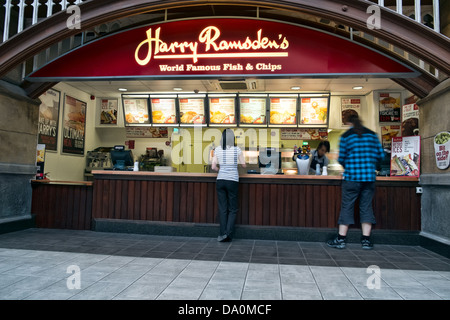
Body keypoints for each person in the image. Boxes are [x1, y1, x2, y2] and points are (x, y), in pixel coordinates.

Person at [327, 114, 384, 250]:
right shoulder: (372, 135)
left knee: (347, 207)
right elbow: (381, 155)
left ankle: (341, 239)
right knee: (366, 207)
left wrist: (349, 166)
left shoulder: (346, 136)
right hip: (369, 178)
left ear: (347, 122)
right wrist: (371, 165)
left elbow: (341, 159)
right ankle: (366, 240)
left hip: (351, 178)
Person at [211, 129, 246, 242]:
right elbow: (244, 165)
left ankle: (222, 233)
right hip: (232, 181)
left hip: (220, 180)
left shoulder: (218, 149)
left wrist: (220, 169)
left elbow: (213, 167)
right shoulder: (237, 150)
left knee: (222, 208)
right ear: (233, 138)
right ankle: (228, 234)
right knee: (233, 208)